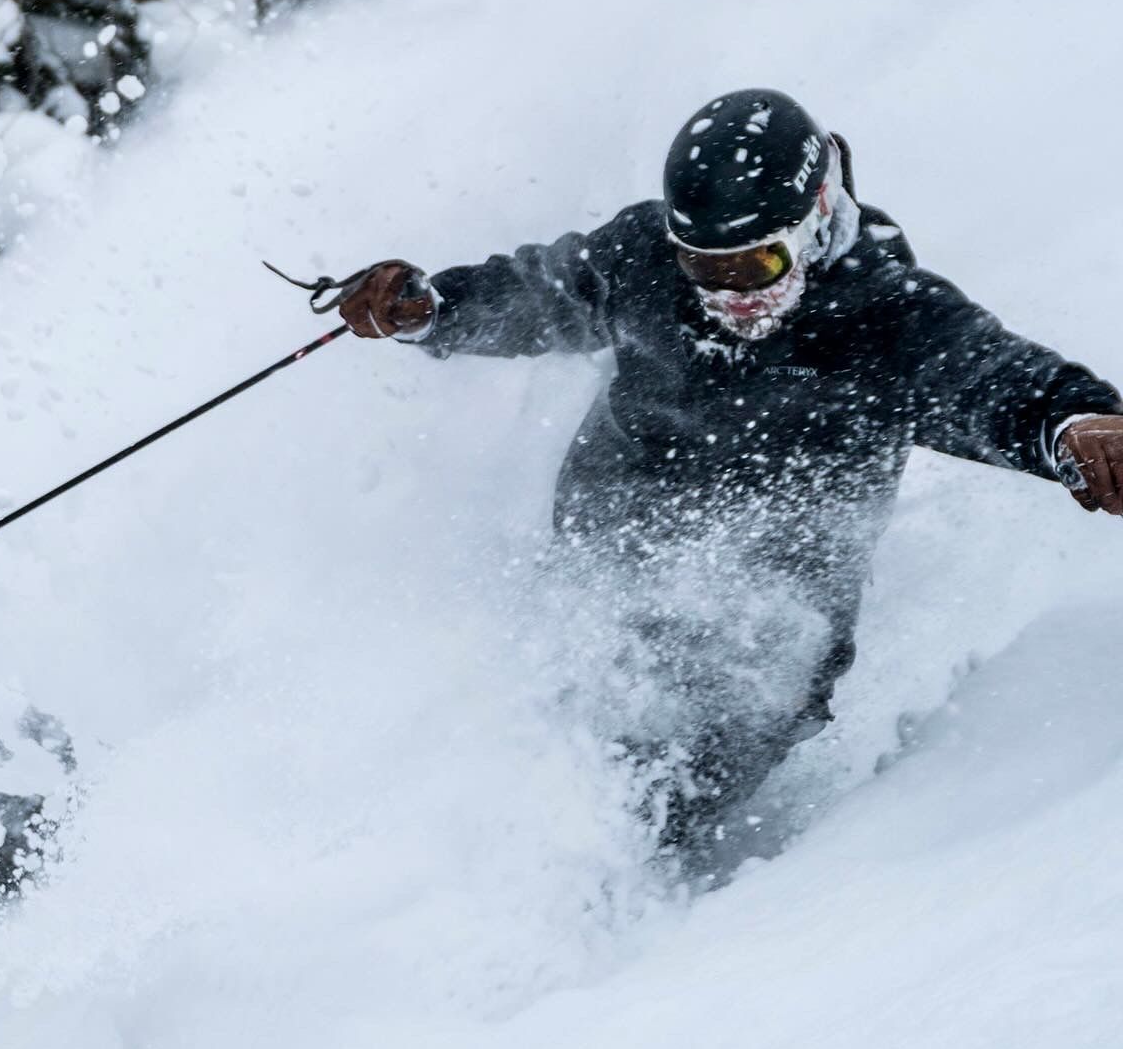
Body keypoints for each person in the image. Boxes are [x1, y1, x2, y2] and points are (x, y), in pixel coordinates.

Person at [335, 89, 1123, 866]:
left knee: (709, 748)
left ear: (815, 215)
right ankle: (479, 841)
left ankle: (631, 895)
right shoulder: (643, 254)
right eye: (703, 266)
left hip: (784, 584)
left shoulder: (886, 317)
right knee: (579, 700)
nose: (728, 293)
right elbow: (540, 294)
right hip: (623, 518)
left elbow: (996, 381)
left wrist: (1076, 426)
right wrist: (434, 309)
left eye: (756, 264)